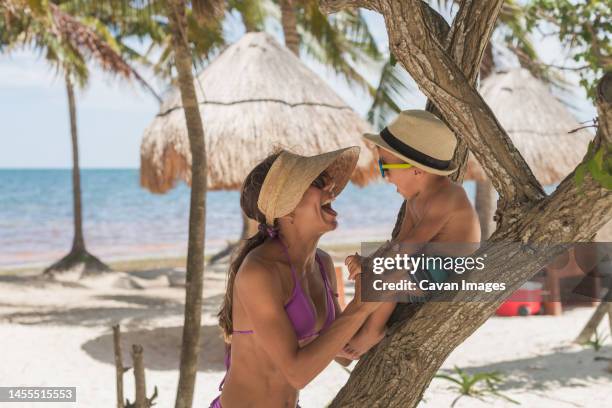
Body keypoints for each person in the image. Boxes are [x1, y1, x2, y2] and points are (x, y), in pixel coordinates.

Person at [211, 147, 381, 408]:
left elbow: (345, 352)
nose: (332, 186)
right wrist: (360, 306)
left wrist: (374, 286)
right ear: (286, 209)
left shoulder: (322, 263)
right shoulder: (260, 272)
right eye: (318, 183)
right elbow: (298, 373)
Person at [343, 110, 481, 359]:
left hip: (454, 275)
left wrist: (373, 265)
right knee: (385, 268)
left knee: (393, 272)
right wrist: (368, 262)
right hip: (430, 267)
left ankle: (372, 331)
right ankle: (348, 331)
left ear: (416, 170)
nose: (384, 176)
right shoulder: (415, 199)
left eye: (385, 166)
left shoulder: (447, 197)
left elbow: (410, 249)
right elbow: (400, 243)